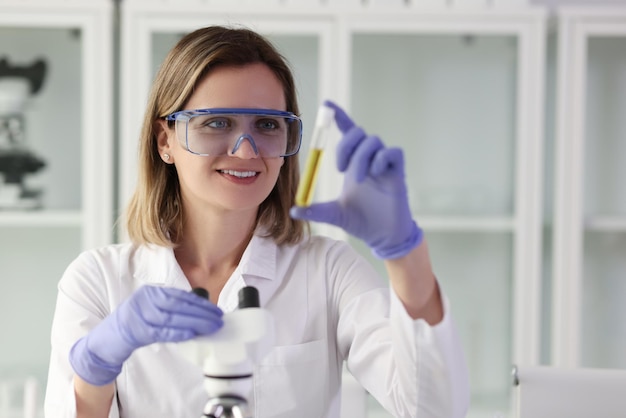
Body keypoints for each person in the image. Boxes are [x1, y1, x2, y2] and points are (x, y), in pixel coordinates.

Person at [44, 25, 470, 418]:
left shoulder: (327, 271)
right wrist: (95, 369)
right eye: (217, 123)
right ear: (165, 140)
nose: (247, 151)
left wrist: (405, 251)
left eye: (267, 124)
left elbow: (434, 410)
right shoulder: (98, 281)